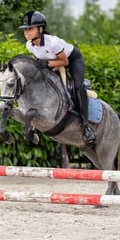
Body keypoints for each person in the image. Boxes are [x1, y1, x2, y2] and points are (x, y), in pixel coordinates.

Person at [19, 10, 96, 145]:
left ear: (40, 29)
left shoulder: (53, 42)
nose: (26, 32)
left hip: (71, 60)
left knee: (78, 87)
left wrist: (47, 63)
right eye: (25, 29)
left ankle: (85, 126)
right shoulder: (29, 45)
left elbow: (64, 62)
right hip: (53, 63)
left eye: (30, 29)